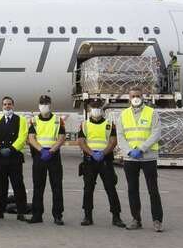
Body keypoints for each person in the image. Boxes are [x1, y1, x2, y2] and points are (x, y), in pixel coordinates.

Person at [117, 87, 164, 232]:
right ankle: (136, 219)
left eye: (138, 95)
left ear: (142, 97)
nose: (135, 98)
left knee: (153, 190)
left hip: (148, 157)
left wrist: (142, 148)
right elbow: (120, 136)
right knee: (133, 190)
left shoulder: (151, 113)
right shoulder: (123, 115)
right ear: (129, 98)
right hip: (130, 158)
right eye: (133, 96)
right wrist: (130, 151)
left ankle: (157, 220)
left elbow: (156, 133)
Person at [77, 99, 125, 228]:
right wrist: (92, 154)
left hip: (105, 160)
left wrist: (102, 153)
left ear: (102, 109)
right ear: (89, 109)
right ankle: (87, 216)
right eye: (93, 107)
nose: (96, 109)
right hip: (90, 160)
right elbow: (81, 142)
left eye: (98, 107)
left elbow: (113, 141)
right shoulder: (84, 124)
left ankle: (116, 217)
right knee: (88, 189)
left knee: (111, 188)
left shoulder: (109, 124)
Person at [26, 95, 66, 225]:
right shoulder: (34, 120)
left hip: (53, 155)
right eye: (42, 103)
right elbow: (31, 138)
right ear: (39, 105)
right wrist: (41, 150)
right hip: (39, 155)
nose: (44, 105)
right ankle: (37, 215)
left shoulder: (58, 120)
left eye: (46, 103)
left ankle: (58, 215)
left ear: (50, 104)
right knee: (38, 186)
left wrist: (51, 151)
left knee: (57, 186)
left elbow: (61, 138)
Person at [0, 96, 28, 221]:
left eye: (9, 104)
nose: (7, 106)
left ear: (13, 105)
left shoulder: (21, 119)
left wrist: (11, 149)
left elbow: (22, 137)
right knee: (0, 185)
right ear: (2, 106)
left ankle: (21, 211)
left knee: (18, 185)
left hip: (15, 157)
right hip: (0, 158)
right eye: (5, 104)